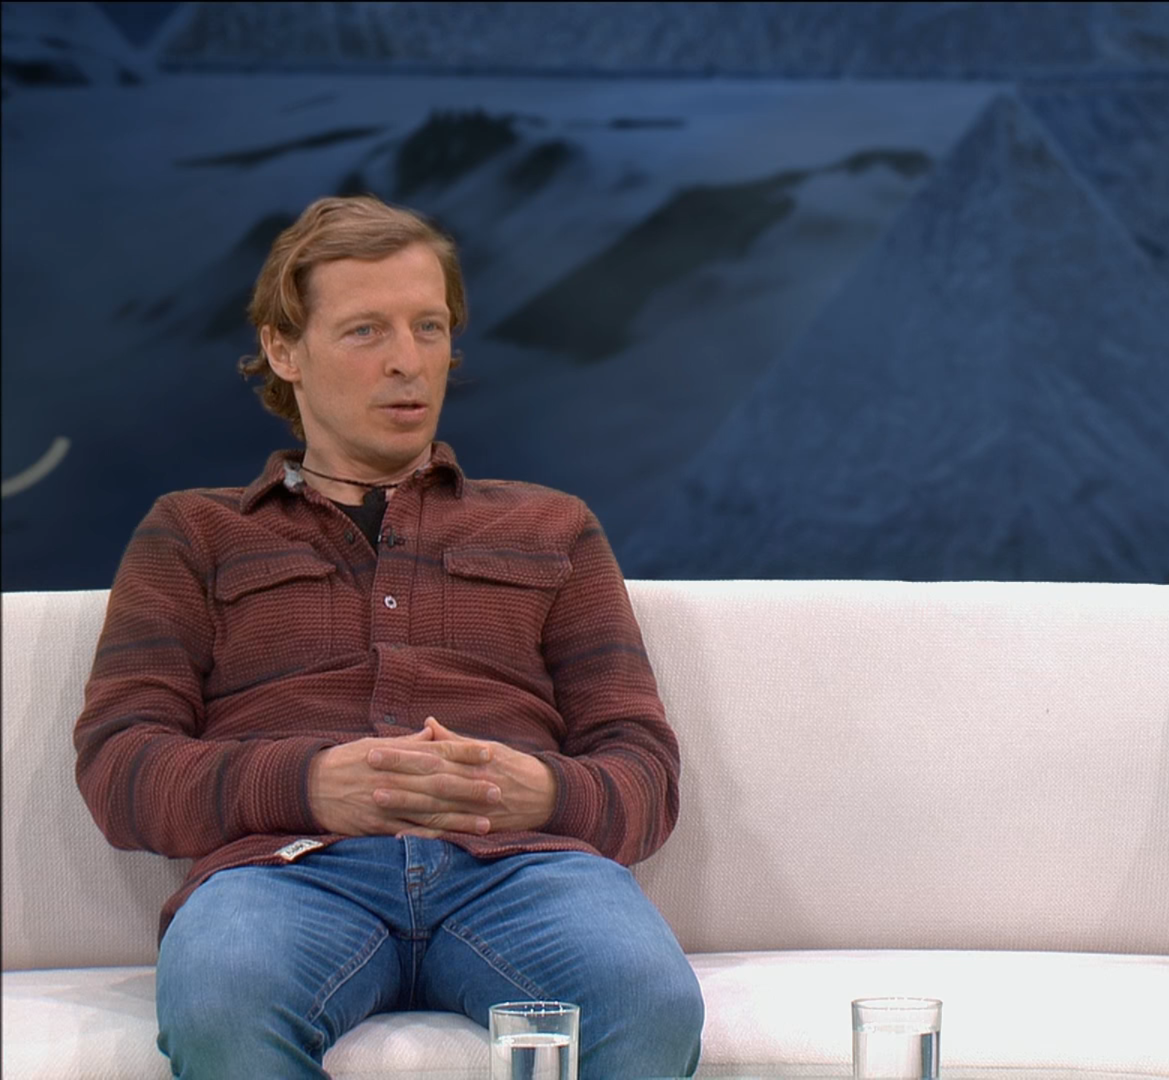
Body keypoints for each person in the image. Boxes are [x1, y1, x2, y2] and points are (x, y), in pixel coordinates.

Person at [73, 194, 705, 1078]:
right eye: (366, 330)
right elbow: (120, 767)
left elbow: (643, 768)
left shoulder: (552, 526)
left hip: (521, 870)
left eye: (428, 327)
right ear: (284, 350)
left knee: (648, 1000)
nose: (408, 361)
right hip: (287, 872)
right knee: (223, 1001)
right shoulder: (194, 532)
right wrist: (309, 784)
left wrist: (543, 792)